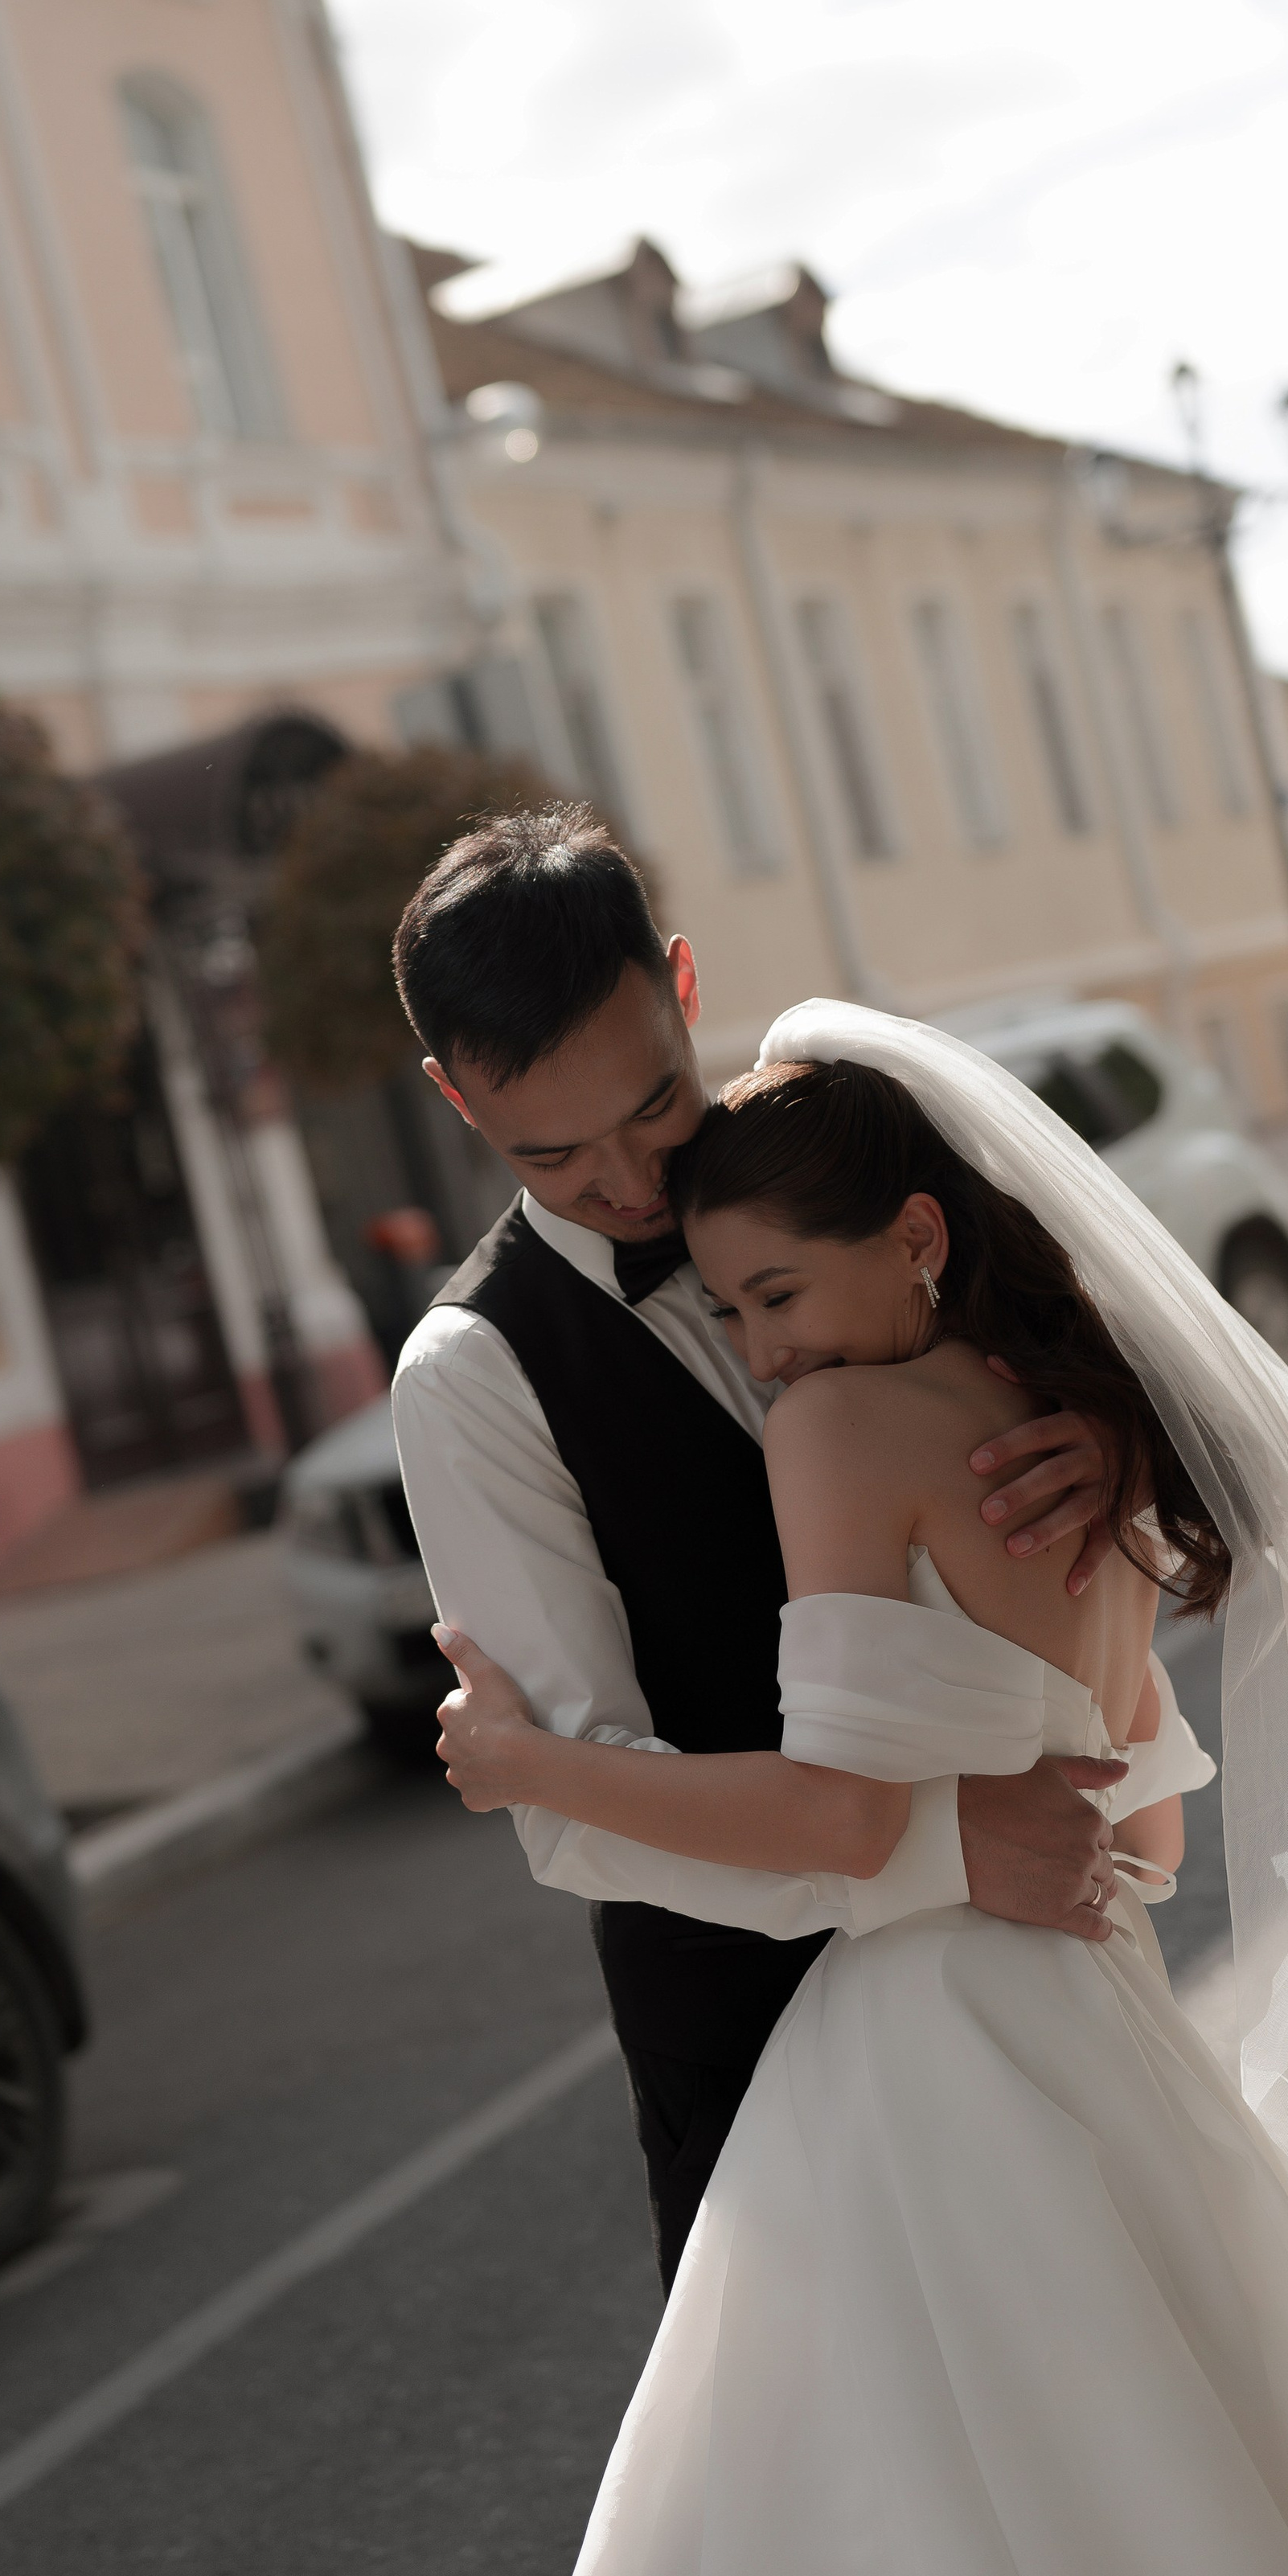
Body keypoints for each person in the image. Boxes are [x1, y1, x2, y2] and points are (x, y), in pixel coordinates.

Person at [437, 1017, 1288, 2576]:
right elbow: (1153, 1832)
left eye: (771, 1298)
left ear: (913, 1238)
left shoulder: (832, 1432)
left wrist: (523, 1763)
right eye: (731, 1309)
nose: (760, 1354)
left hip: (930, 2047)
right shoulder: (1068, 1426)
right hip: (1106, 2020)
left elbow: (833, 1817)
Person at [390, 807, 1149, 2289]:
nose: (627, 1182)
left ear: (682, 985)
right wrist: (948, 1844)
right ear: (454, 1101)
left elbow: (1101, 1396)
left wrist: (1115, 1444)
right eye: (554, 1150)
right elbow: (580, 1801)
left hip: (1046, 1987)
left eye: (654, 1107)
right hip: (760, 2057)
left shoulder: (852, 1175)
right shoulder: (472, 1379)